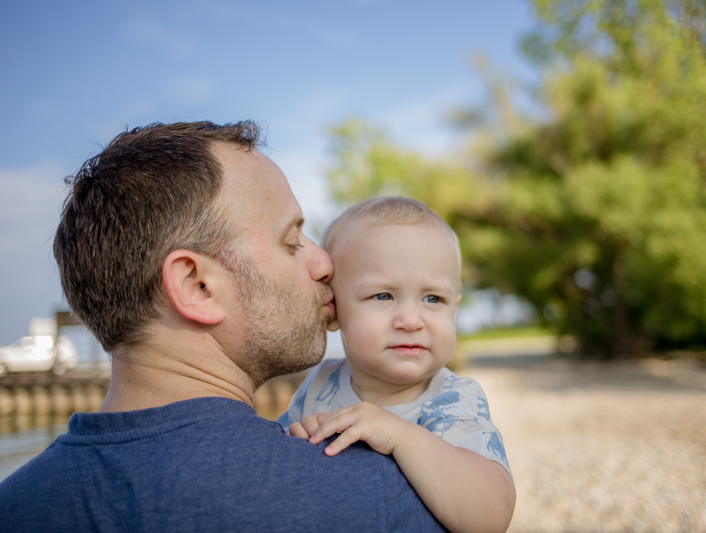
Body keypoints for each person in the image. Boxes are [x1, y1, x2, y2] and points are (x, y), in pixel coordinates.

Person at [0, 121, 446, 532]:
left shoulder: (15, 506)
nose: (324, 262)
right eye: (292, 242)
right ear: (197, 286)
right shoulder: (377, 493)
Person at [278, 197, 516, 533]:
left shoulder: (451, 400)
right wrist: (295, 440)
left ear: (455, 307)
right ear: (333, 309)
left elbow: (490, 517)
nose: (410, 320)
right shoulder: (320, 383)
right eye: (383, 296)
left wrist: (399, 435)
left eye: (433, 299)